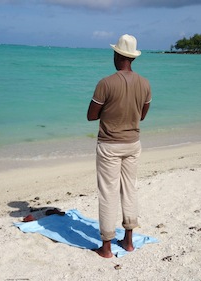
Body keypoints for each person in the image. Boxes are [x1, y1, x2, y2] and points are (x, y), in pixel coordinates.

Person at [87, 34, 152, 258]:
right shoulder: (145, 83)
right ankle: (129, 241)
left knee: (108, 194)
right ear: (132, 58)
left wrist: (111, 110)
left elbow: (91, 116)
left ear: (117, 55)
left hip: (109, 145)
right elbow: (142, 115)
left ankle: (105, 246)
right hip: (133, 143)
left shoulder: (106, 83)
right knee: (130, 189)